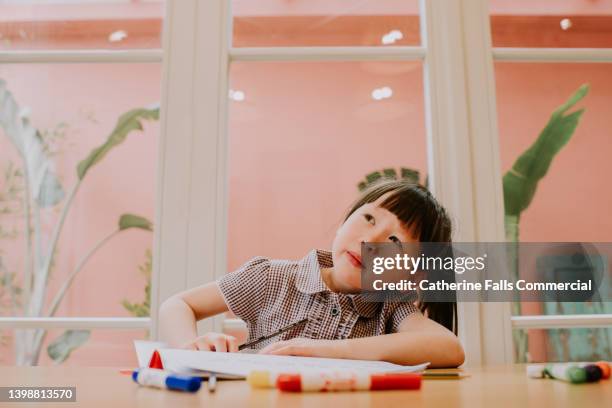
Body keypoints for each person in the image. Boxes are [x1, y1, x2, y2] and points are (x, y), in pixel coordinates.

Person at [159, 180, 465, 367]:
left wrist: (322, 351)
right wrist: (190, 349)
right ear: (347, 218)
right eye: (369, 218)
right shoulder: (274, 277)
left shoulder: (390, 307)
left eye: (396, 241)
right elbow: (178, 305)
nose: (369, 241)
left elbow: (448, 348)